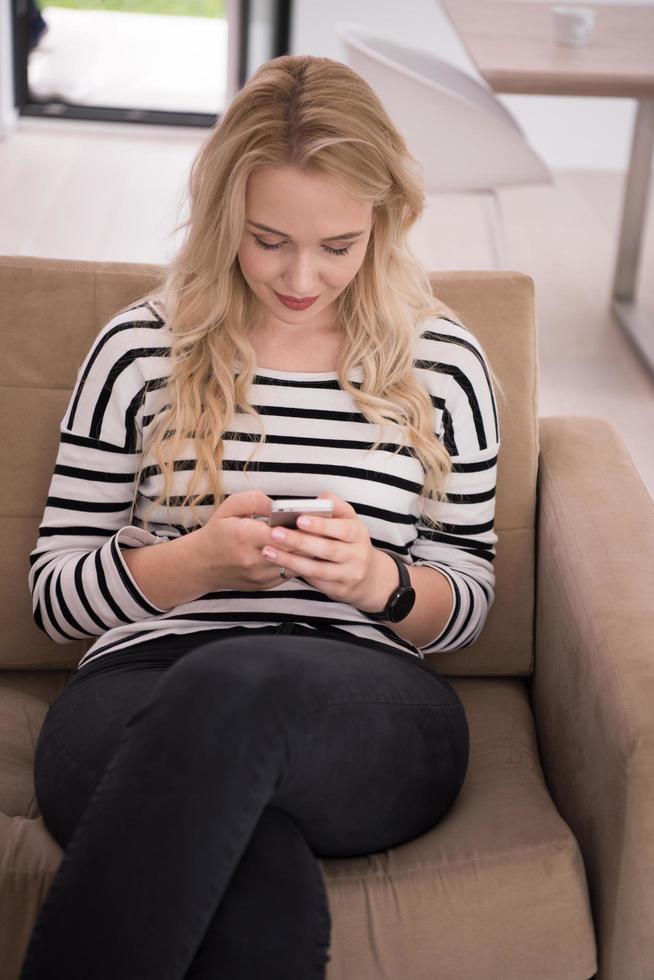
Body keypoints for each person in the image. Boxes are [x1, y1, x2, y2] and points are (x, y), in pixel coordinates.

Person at [20, 53, 502, 980]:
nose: (302, 277)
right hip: (137, 694)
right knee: (252, 880)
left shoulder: (444, 363)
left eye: (339, 245)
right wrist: (192, 564)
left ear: (385, 220)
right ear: (221, 218)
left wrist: (378, 581)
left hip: (366, 699)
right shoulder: (138, 347)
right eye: (268, 237)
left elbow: (470, 599)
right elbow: (53, 599)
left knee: (235, 688)